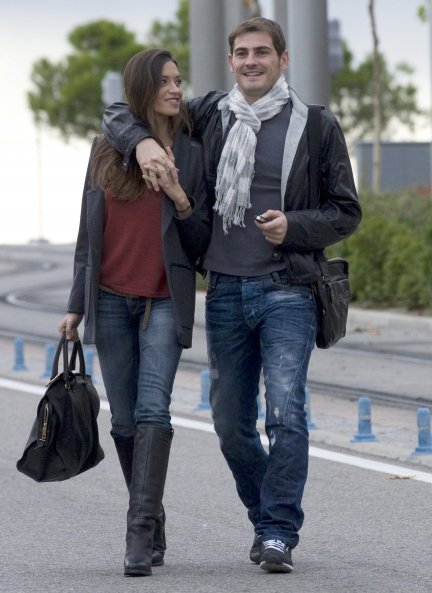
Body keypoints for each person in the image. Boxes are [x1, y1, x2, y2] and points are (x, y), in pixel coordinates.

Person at [102, 17, 361, 573]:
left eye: (262, 52)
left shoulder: (315, 126)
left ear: (283, 60)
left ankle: (276, 533)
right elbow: (124, 112)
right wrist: (145, 142)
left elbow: (346, 211)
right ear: (231, 61)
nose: (251, 61)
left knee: (286, 413)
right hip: (223, 292)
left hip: (287, 288)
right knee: (231, 425)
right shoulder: (211, 115)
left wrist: (294, 225)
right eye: (241, 53)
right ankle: (265, 513)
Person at [59, 48, 211, 577]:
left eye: (178, 80)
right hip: (109, 298)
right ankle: (155, 517)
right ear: (142, 89)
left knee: (153, 413)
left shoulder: (192, 152)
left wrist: (179, 195)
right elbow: (87, 234)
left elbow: (202, 244)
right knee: (123, 421)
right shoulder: (107, 148)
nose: (176, 89)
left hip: (166, 299)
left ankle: (138, 533)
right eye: (165, 81)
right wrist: (75, 306)